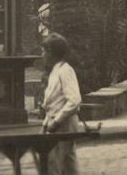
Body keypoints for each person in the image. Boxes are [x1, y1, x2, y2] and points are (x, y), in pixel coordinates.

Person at [41, 33, 82, 175]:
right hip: (57, 126)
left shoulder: (65, 70)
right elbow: (52, 103)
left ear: (51, 53)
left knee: (55, 165)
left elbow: (74, 100)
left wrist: (56, 122)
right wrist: (46, 123)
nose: (42, 55)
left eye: (44, 51)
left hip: (64, 126)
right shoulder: (55, 71)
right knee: (68, 166)